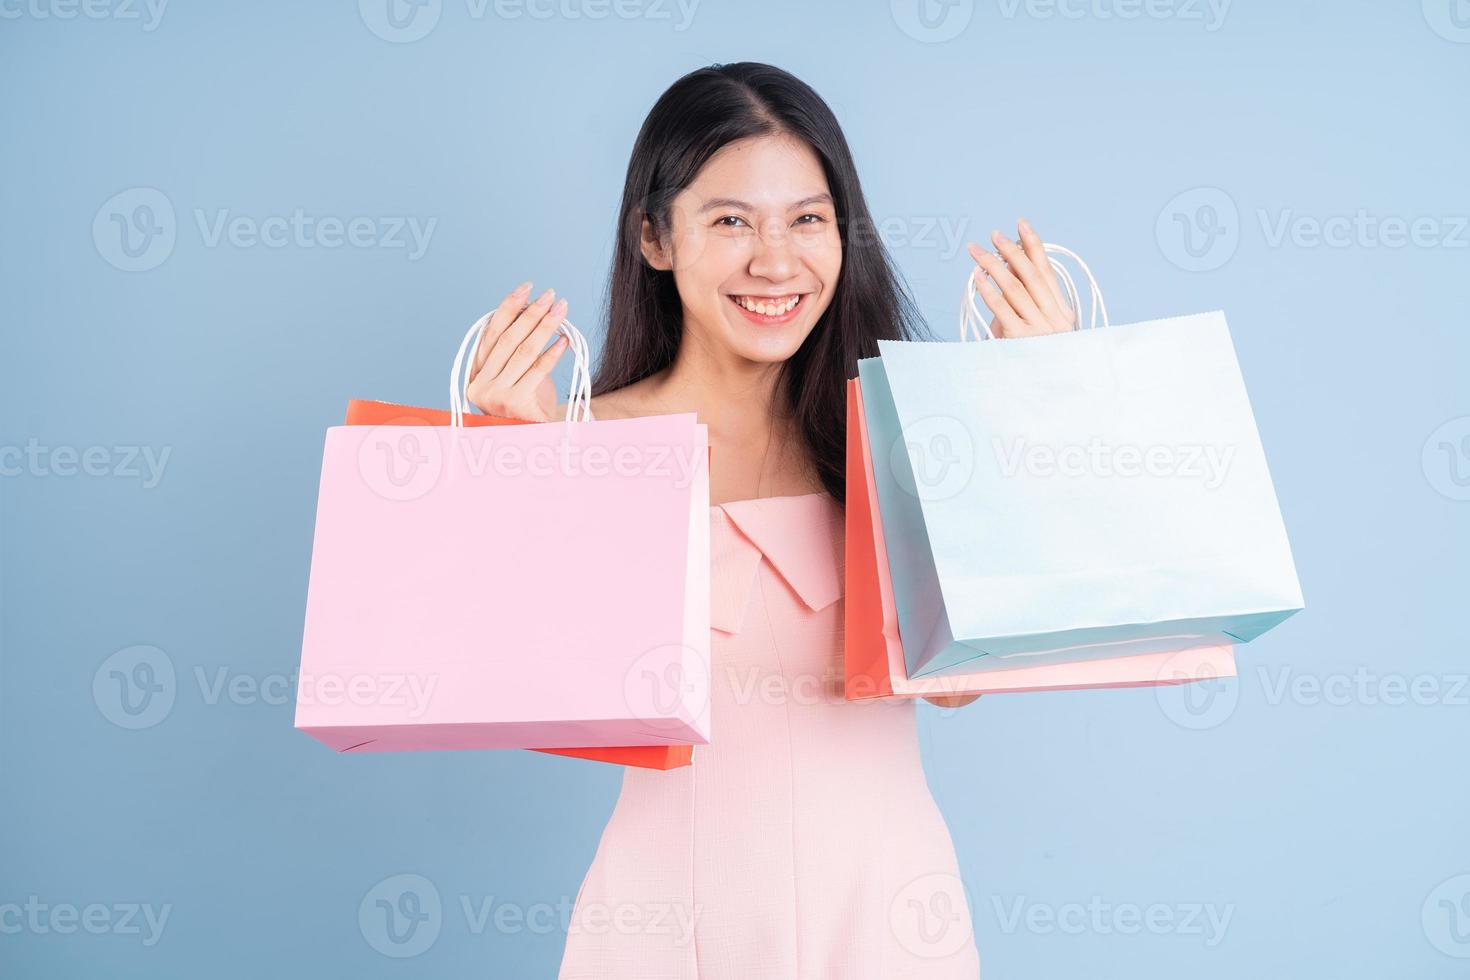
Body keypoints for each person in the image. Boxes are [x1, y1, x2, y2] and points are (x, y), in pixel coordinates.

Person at [462, 62, 1077, 980]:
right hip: (664, 916)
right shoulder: (589, 440)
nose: (776, 261)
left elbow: (955, 683)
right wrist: (534, 471)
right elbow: (563, 698)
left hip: (884, 908)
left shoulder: (900, 435)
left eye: (807, 218)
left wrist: (1019, 412)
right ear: (653, 238)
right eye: (730, 221)